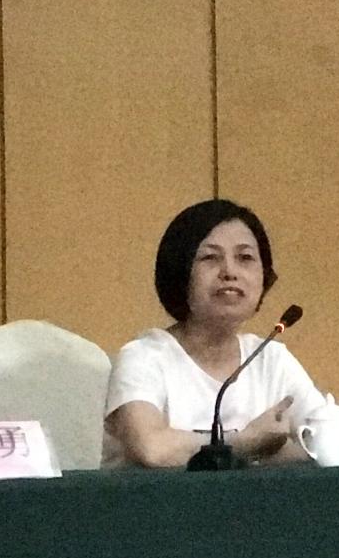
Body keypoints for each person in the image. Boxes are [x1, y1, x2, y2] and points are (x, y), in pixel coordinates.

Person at [103, 198, 326, 469]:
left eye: (245, 258)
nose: (230, 272)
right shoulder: (144, 357)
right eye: (210, 258)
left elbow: (325, 444)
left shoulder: (270, 359)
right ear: (179, 272)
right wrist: (243, 444)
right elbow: (152, 450)